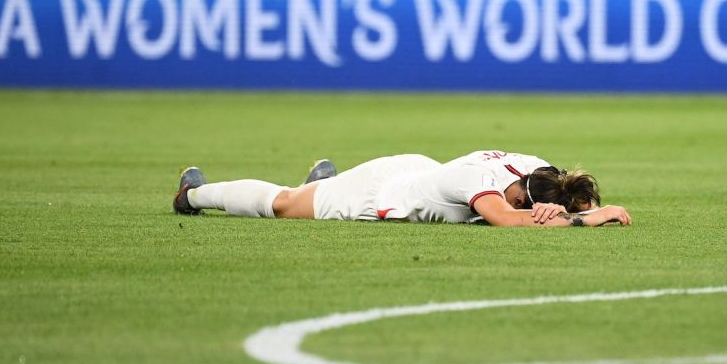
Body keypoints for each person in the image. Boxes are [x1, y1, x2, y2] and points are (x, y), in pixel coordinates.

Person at [172, 150, 632, 227]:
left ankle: (324, 183)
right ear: (521, 192)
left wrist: (584, 207)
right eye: (526, 204)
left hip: (422, 172)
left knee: (303, 197)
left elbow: (574, 193)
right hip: (379, 192)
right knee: (286, 204)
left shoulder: (537, 172)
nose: (524, 208)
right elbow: (507, 218)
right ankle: (192, 194)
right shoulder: (480, 185)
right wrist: (591, 217)